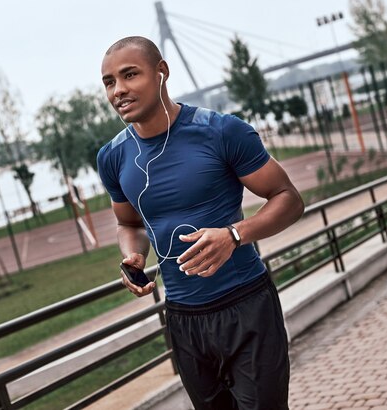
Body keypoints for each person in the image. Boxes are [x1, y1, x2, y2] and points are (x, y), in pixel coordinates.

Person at [97, 36, 304, 410]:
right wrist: (133, 256)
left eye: (130, 75)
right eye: (109, 82)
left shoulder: (221, 131)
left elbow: (288, 198)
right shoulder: (112, 157)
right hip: (183, 319)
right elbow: (130, 224)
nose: (119, 90)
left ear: (162, 72)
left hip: (246, 308)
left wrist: (235, 235)